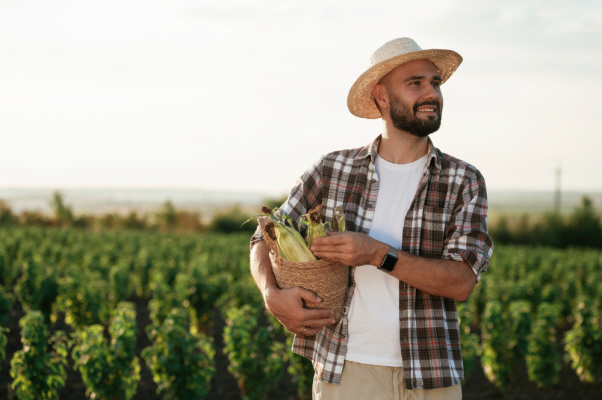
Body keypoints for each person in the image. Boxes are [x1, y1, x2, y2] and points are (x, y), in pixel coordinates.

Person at [249, 37, 494, 400]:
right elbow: (262, 235)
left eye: (435, 83)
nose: (432, 93)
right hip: (347, 371)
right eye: (416, 83)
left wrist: (377, 253)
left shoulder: (463, 180)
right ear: (381, 96)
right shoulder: (332, 170)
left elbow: (461, 282)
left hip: (432, 374)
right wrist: (271, 295)